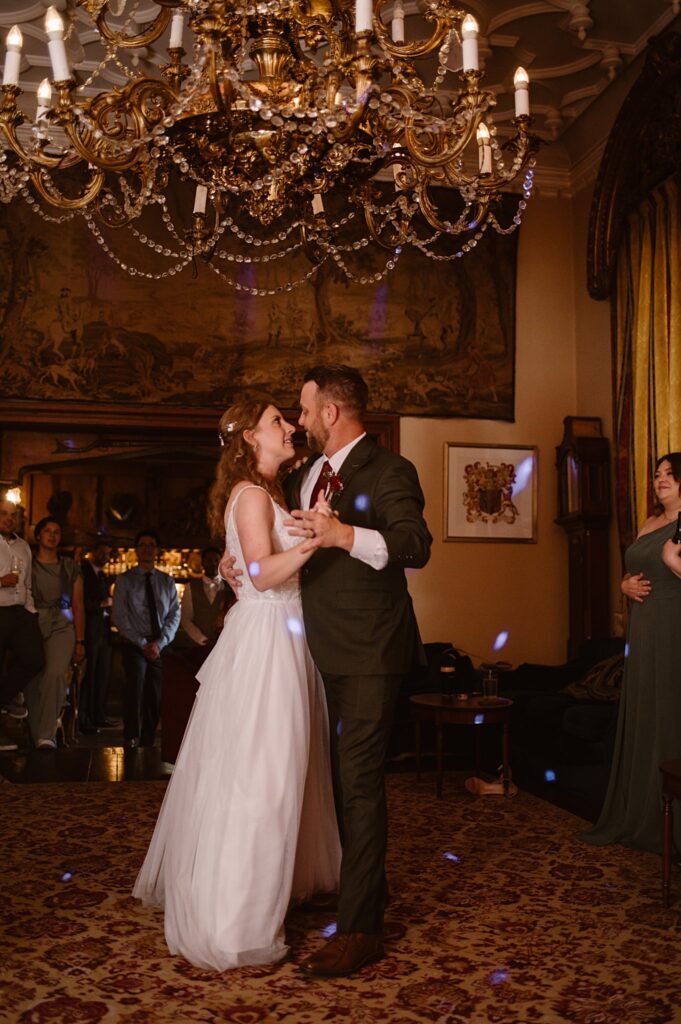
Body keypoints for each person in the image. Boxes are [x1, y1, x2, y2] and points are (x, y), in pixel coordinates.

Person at [223, 364, 432, 977]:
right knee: (335, 779)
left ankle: (363, 928)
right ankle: (361, 884)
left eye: (306, 410)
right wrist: (231, 565)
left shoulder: (391, 469)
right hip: (310, 651)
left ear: (332, 413)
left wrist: (344, 535)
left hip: (370, 652)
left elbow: (414, 545)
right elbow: (262, 539)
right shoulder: (306, 474)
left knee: (360, 782)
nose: (300, 420)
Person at [133, 400, 340, 971]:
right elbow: (259, 573)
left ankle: (267, 888)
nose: (291, 427)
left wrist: (297, 529)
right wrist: (313, 542)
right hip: (266, 645)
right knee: (261, 778)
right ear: (250, 437)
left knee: (284, 772)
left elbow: (241, 562)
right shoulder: (252, 495)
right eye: (278, 422)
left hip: (285, 638)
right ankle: (236, 921)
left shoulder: (272, 494)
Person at [582, 452, 681, 853]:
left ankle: (670, 824)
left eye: (670, 475)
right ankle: (637, 812)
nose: (660, 480)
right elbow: (633, 573)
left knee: (669, 712)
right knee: (645, 714)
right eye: (657, 475)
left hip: (673, 627)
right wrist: (624, 587)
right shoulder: (650, 522)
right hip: (643, 631)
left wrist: (672, 560)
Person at [112, 530, 180, 749]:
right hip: (134, 644)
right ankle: (131, 734)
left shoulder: (167, 581)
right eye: (143, 544)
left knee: (156, 692)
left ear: (157, 550)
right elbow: (120, 617)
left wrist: (159, 643)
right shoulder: (125, 580)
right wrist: (142, 643)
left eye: (151, 544)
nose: (147, 548)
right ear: (136, 549)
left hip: (160, 643)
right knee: (136, 685)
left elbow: (174, 615)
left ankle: (149, 739)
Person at [24, 517, 85, 750]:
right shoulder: (27, 562)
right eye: (47, 531)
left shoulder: (70, 566)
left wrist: (80, 640)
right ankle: (36, 732)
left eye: (57, 531)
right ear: (38, 536)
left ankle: (46, 735)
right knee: (33, 678)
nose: (52, 535)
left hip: (62, 622)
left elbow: (78, 604)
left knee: (55, 674)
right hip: (32, 621)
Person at [0, 499, 44, 752]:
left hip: (20, 612)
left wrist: (31, 611)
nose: (9, 519)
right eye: (4, 514)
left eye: (12, 515)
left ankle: (5, 698)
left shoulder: (24, 546)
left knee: (35, 658)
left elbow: (26, 584)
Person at [79, 539, 114, 733]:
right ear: (93, 552)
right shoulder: (83, 571)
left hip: (103, 632)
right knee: (89, 677)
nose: (106, 557)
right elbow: (78, 603)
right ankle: (85, 720)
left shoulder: (101, 574)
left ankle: (98, 716)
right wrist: (102, 604)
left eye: (108, 554)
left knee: (102, 676)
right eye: (102, 553)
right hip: (89, 632)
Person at [179, 547, 231, 649]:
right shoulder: (192, 586)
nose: (214, 564)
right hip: (197, 646)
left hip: (224, 646)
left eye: (217, 560)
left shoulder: (229, 587)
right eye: (209, 560)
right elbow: (185, 619)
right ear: (202, 562)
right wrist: (202, 639)